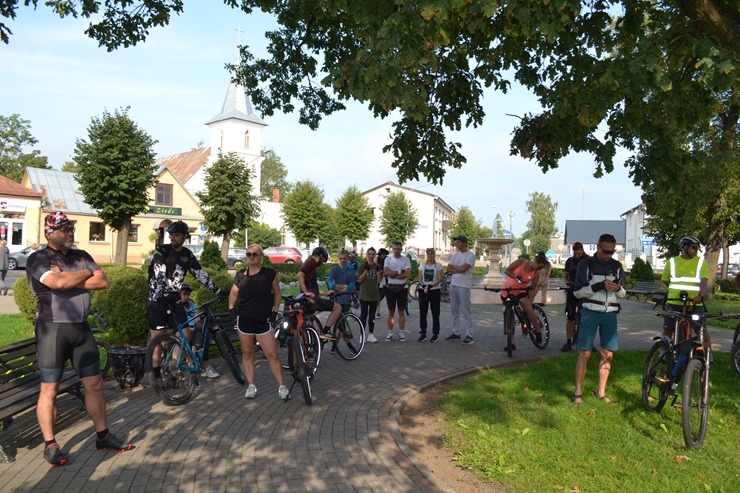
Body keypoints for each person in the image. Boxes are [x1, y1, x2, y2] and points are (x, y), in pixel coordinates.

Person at [26, 212, 133, 466]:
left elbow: (102, 281)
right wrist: (82, 275)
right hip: (52, 330)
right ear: (50, 233)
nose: (70, 231)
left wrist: (74, 275)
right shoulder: (37, 258)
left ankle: (103, 435)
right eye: (64, 228)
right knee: (49, 389)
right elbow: (57, 283)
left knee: (95, 384)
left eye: (71, 227)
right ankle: (50, 444)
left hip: (81, 329)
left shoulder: (81, 256)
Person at [146, 220, 223, 384]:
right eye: (171, 235)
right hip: (157, 300)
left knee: (186, 334)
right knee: (156, 341)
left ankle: (174, 365)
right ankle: (156, 377)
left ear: (184, 237)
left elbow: (199, 273)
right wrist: (161, 289)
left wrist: (217, 289)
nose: (173, 238)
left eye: (176, 235)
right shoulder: (162, 250)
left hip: (175, 300)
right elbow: (159, 269)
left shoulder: (187, 255)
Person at [228, 244, 288, 400]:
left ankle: (282, 386)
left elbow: (277, 294)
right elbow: (234, 293)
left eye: (255, 254)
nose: (251, 256)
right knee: (247, 353)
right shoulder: (241, 275)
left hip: (263, 319)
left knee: (272, 355)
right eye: (249, 254)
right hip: (244, 320)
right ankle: (251, 386)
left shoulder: (269, 274)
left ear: (261, 256)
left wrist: (275, 311)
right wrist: (231, 308)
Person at [572, 233, 626, 405]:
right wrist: (599, 286)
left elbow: (624, 293)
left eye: (612, 252)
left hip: (610, 313)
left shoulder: (617, 266)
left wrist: (617, 288)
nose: (608, 255)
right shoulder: (585, 264)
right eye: (605, 251)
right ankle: (578, 393)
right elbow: (577, 292)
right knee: (585, 353)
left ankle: (601, 392)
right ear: (597, 247)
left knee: (608, 353)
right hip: (590, 311)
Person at [661, 235, 712, 347]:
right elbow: (665, 280)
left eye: (697, 248)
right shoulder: (672, 262)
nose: (696, 251)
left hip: (694, 302)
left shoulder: (700, 262)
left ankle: (707, 357)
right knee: (668, 330)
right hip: (674, 302)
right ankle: (663, 352)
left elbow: (704, 281)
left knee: (702, 331)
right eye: (693, 247)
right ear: (684, 247)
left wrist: (701, 295)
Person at [500, 252, 550, 350]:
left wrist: (530, 301)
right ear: (535, 261)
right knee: (508, 316)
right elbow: (507, 271)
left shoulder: (536, 274)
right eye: (538, 266)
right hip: (507, 290)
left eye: (540, 268)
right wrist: (516, 277)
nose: (538, 269)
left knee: (528, 307)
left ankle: (538, 330)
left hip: (520, 291)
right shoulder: (521, 262)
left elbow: (532, 288)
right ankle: (512, 342)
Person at [297, 246, 343, 340]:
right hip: (312, 301)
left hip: (307, 300)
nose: (322, 263)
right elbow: (300, 275)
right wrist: (306, 292)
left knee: (306, 328)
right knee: (338, 307)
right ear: (321, 256)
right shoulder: (311, 263)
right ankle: (325, 332)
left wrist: (325, 293)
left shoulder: (311, 265)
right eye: (323, 260)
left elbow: (312, 288)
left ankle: (308, 349)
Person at [179, 284, 220, 378]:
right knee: (200, 338)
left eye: (188, 294)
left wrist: (196, 327)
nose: (186, 296)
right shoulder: (177, 307)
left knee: (202, 332)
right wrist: (190, 328)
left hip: (195, 329)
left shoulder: (191, 304)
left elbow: (197, 318)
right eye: (184, 293)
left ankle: (201, 360)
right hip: (185, 330)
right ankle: (206, 366)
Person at [444, 235, 477, 344]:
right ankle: (456, 332)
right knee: (454, 310)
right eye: (456, 242)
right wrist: (459, 269)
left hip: (464, 286)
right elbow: (448, 268)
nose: (456, 244)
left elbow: (465, 269)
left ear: (464, 243)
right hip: (454, 285)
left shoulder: (470, 255)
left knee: (466, 311)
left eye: (458, 242)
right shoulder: (455, 255)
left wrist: (456, 268)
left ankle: (470, 334)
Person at [561, 243, 589, 351]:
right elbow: (566, 276)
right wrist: (567, 281)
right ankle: (568, 342)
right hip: (572, 289)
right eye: (575, 253)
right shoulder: (570, 261)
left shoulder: (588, 261)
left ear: (582, 250)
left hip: (584, 290)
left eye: (578, 253)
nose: (576, 255)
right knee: (570, 317)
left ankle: (587, 341)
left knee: (586, 317)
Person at [383, 241, 412, 341]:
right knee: (391, 311)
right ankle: (390, 333)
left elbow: (407, 274)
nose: (396, 250)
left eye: (398, 249)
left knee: (401, 311)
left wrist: (393, 275)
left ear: (401, 249)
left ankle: (401, 332)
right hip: (390, 288)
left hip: (402, 288)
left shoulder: (406, 259)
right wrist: (400, 271)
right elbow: (386, 272)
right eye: (395, 248)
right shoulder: (388, 259)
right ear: (392, 249)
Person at [418, 248, 443, 342]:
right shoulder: (422, 265)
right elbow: (420, 278)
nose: (429, 255)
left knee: (435, 313)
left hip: (434, 291)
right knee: (423, 313)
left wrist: (431, 285)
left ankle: (435, 333)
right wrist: (423, 285)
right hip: (423, 291)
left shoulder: (438, 266)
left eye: (432, 253)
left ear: (434, 255)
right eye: (428, 254)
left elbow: (440, 278)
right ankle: (423, 333)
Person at [357, 247, 382, 342]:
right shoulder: (363, 266)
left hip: (374, 295)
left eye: (373, 254)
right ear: (367, 255)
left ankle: (371, 334)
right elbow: (359, 280)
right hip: (364, 294)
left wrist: (378, 271)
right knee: (363, 315)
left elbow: (378, 281)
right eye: (370, 254)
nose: (371, 256)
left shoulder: (377, 266)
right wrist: (366, 271)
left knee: (372, 316)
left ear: (375, 255)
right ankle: (362, 335)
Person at [375, 248, 389, 319]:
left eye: (381, 255)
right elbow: (375, 267)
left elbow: (388, 269)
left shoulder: (388, 259)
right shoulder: (377, 258)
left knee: (382, 296)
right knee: (378, 297)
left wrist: (384, 272)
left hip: (386, 279)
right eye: (379, 255)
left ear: (384, 254)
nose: (380, 256)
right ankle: (378, 312)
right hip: (378, 279)